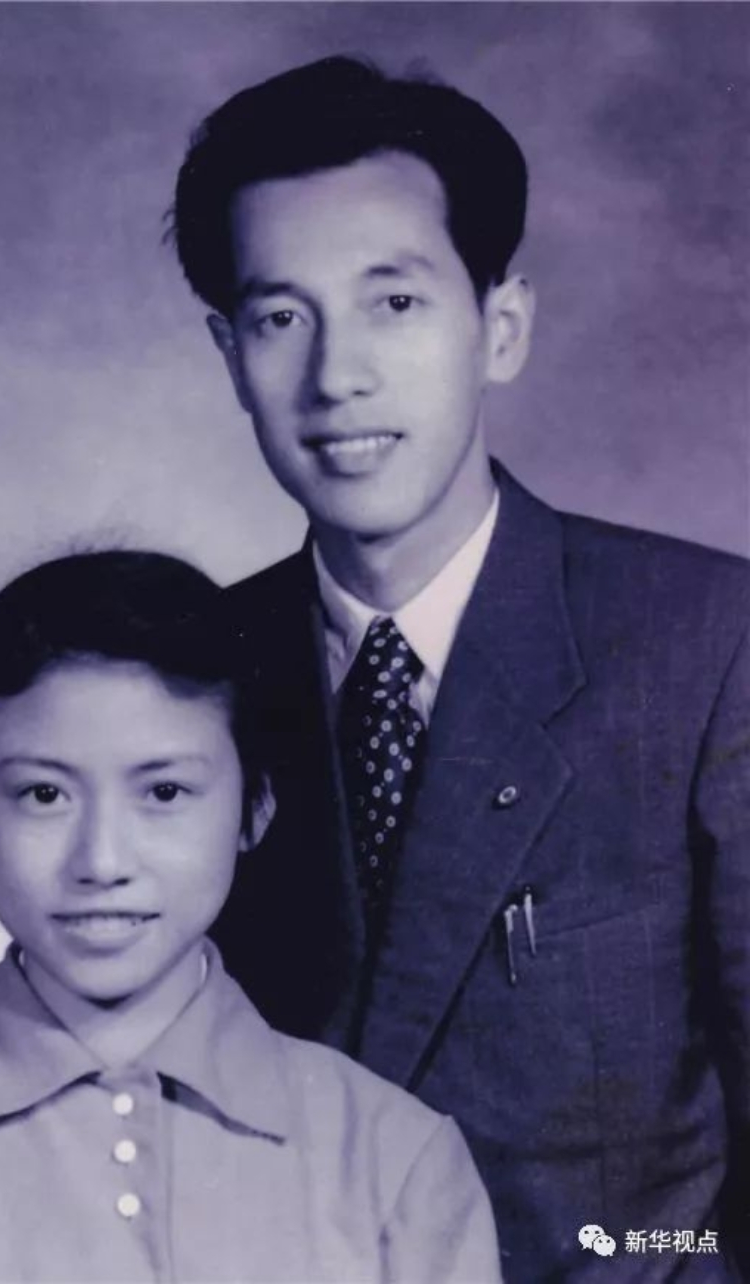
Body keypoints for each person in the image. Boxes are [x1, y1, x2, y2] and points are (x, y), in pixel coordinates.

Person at [171, 56, 750, 1281]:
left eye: (393, 302)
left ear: (500, 328)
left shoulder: (708, 645)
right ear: (228, 356)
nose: (337, 376)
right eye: (282, 319)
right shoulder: (189, 672)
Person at [0, 550, 500, 1284]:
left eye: (164, 793)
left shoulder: (397, 1163)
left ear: (255, 808)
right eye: (44, 794)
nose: (102, 861)